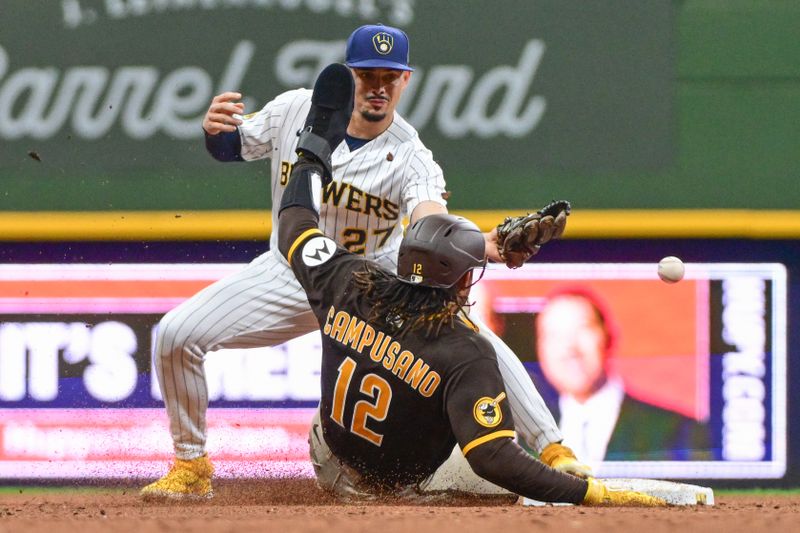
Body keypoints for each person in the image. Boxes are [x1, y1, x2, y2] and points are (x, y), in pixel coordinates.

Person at [141, 24, 586, 500]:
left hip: (372, 281)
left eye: (389, 78)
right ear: (349, 75)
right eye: (367, 75)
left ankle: (554, 450)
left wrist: (485, 244)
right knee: (175, 335)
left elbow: (430, 223)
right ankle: (191, 466)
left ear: (406, 81)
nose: (378, 87)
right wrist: (214, 132)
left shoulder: (412, 155)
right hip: (290, 268)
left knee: (474, 340)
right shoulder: (296, 109)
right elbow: (234, 147)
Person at [270, 63, 663, 505]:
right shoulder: (463, 349)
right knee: (503, 475)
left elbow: (294, 226)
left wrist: (312, 153)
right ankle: (545, 455)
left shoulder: (348, 281)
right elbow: (495, 458)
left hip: (327, 458)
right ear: (456, 281)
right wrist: (589, 494)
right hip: (393, 486)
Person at [534, 287, 710, 462]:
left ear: (608, 337)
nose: (569, 348)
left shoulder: (679, 431)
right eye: (553, 335)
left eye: (582, 329)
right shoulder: (524, 437)